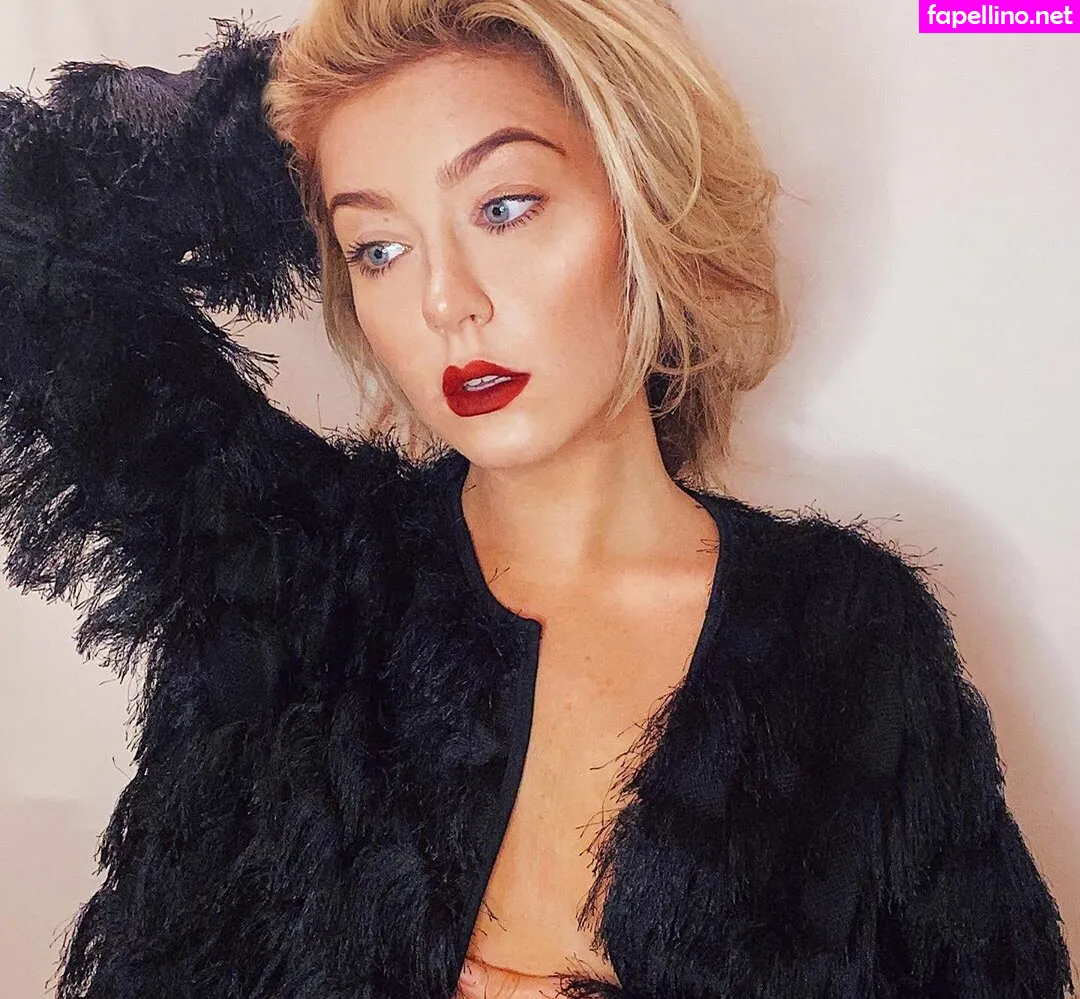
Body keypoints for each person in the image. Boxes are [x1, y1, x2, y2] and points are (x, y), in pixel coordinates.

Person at [0, 2, 1071, 998]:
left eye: (504, 207)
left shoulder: (845, 642)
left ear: (644, 203)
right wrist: (306, 116)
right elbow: (26, 230)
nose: (444, 301)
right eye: (379, 248)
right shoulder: (284, 560)